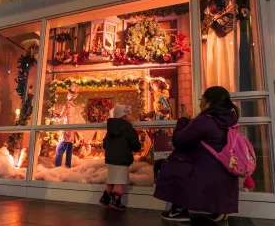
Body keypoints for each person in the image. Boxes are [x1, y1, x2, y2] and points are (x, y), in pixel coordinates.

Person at [154, 86, 240, 224]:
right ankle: (219, 211)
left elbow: (178, 141)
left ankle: (179, 209)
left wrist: (182, 120)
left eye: (202, 98)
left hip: (204, 172)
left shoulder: (206, 120)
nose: (200, 102)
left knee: (173, 163)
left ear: (208, 102)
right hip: (223, 171)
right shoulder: (228, 120)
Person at [99, 105, 142, 210]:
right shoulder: (128, 129)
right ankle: (115, 201)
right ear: (124, 116)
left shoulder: (110, 128)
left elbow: (105, 143)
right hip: (122, 159)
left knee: (112, 179)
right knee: (120, 181)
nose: (130, 116)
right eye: (128, 114)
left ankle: (105, 198)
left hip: (110, 159)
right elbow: (135, 144)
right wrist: (138, 146)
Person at [55, 83, 78, 168]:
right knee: (69, 150)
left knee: (59, 150)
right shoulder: (73, 106)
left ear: (69, 96)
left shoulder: (67, 105)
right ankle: (68, 167)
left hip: (67, 128)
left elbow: (63, 116)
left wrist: (56, 118)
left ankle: (57, 168)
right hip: (71, 129)